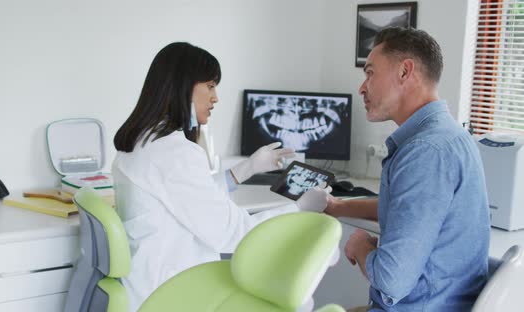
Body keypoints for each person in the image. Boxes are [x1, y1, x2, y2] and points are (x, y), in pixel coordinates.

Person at [112, 42, 332, 311]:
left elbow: (185, 198)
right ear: (183, 86)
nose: (215, 97)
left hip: (149, 284)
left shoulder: (141, 141)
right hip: (174, 292)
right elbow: (234, 234)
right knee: (299, 300)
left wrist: (246, 169)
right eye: (210, 86)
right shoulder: (174, 153)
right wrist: (299, 209)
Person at [324, 27, 490, 311]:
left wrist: (361, 247)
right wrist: (339, 206)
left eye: (370, 73)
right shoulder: (448, 136)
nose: (362, 87)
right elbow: (408, 206)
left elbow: (391, 281)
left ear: (405, 72)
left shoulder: (425, 153)